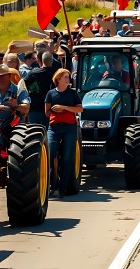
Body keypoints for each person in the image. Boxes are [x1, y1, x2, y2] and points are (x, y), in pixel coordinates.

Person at [45, 68, 83, 198]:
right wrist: (56, 111)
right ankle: (51, 185)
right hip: (54, 128)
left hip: (69, 128)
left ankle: (62, 188)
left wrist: (64, 108)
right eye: (66, 77)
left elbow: (80, 109)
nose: (68, 79)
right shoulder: (50, 94)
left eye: (68, 77)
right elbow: (47, 112)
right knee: (50, 154)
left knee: (67, 158)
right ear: (58, 79)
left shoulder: (72, 93)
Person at [0, 64, 30, 146]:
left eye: (2, 76)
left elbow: (26, 109)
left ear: (9, 76)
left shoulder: (18, 91)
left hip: (14, 128)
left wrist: (16, 106)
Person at [24, 51, 56, 127]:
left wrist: (34, 90)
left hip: (35, 108)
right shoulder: (57, 73)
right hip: (52, 110)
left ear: (40, 60)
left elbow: (24, 84)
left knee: (34, 133)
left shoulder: (33, 73)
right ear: (52, 61)